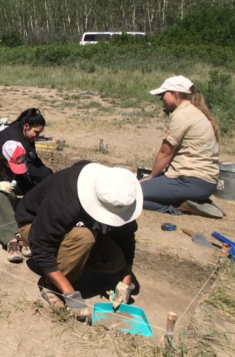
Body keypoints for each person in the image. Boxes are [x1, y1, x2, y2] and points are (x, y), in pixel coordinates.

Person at [15, 161, 142, 320]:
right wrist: (70, 295)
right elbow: (41, 246)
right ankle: (51, 285)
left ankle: (72, 261)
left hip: (73, 229)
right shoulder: (63, 200)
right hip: (33, 225)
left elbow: (127, 237)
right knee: (84, 237)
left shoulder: (119, 196)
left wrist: (125, 280)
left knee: (115, 262)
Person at [140, 76, 222, 218]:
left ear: (176, 94)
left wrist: (152, 177)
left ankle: (176, 207)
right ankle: (187, 200)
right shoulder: (195, 112)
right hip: (204, 182)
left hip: (189, 180)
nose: (161, 98)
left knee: (131, 194)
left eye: (163, 94)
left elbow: (165, 153)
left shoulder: (182, 115)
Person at [0, 108, 52, 185]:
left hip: (16, 170)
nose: (37, 136)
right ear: (26, 126)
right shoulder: (14, 139)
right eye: (36, 132)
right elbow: (26, 166)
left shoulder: (26, 135)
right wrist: (46, 176)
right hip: (0, 176)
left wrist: (48, 172)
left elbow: (33, 158)